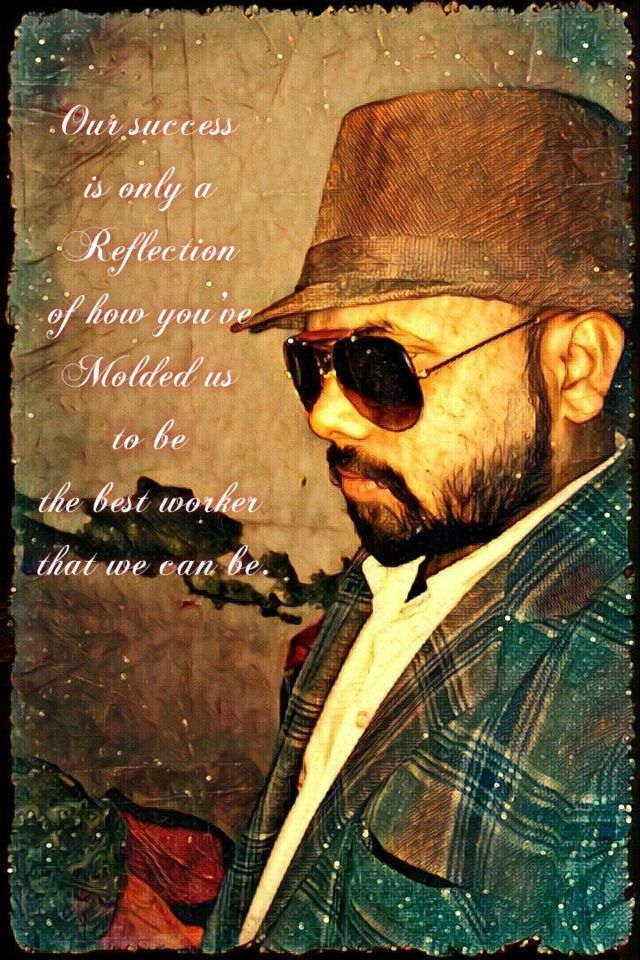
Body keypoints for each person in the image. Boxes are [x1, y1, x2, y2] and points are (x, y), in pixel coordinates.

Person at [201, 88, 634, 953]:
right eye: (314, 363)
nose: (326, 416)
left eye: (382, 363)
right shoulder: (410, 552)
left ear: (576, 367)